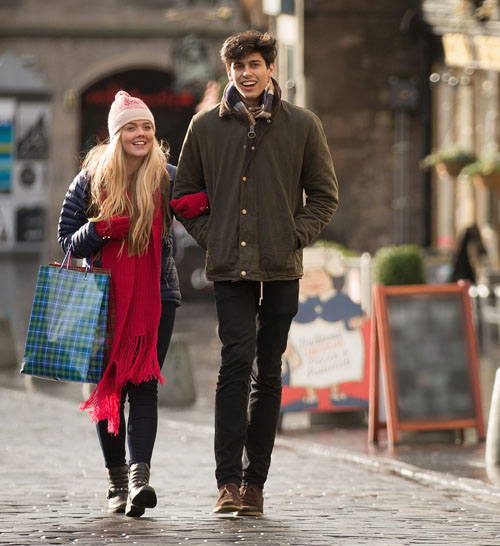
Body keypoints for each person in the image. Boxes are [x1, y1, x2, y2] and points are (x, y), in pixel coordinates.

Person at [170, 29, 338, 516]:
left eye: (255, 64)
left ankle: (255, 484)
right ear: (229, 72)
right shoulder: (204, 128)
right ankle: (226, 483)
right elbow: (184, 195)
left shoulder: (303, 125)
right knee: (235, 365)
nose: (247, 73)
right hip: (229, 269)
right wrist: (214, 237)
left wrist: (293, 235)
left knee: (269, 373)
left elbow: (324, 196)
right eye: (238, 66)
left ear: (270, 68)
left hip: (281, 268)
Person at [58, 91, 181, 518]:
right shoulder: (91, 179)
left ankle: (138, 480)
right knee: (108, 388)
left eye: (146, 127)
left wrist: (201, 205)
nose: (141, 134)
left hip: (157, 297)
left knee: (144, 386)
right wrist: (101, 229)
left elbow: (198, 216)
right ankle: (116, 480)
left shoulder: (167, 177)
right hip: (102, 299)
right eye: (132, 127)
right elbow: (67, 241)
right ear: (116, 134)